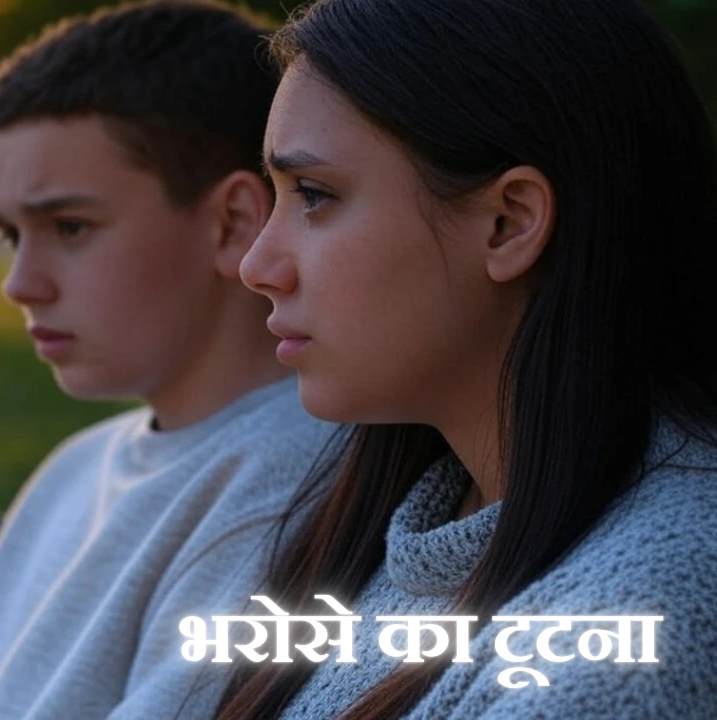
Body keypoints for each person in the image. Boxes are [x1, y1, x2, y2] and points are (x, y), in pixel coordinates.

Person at [213, 0, 717, 718]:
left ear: (509, 223)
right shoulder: (397, 527)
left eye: (315, 196)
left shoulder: (634, 628)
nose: (258, 264)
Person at [0, 2, 337, 719]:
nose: (20, 283)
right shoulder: (77, 465)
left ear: (232, 223)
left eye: (69, 227)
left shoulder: (289, 491)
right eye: (11, 235)